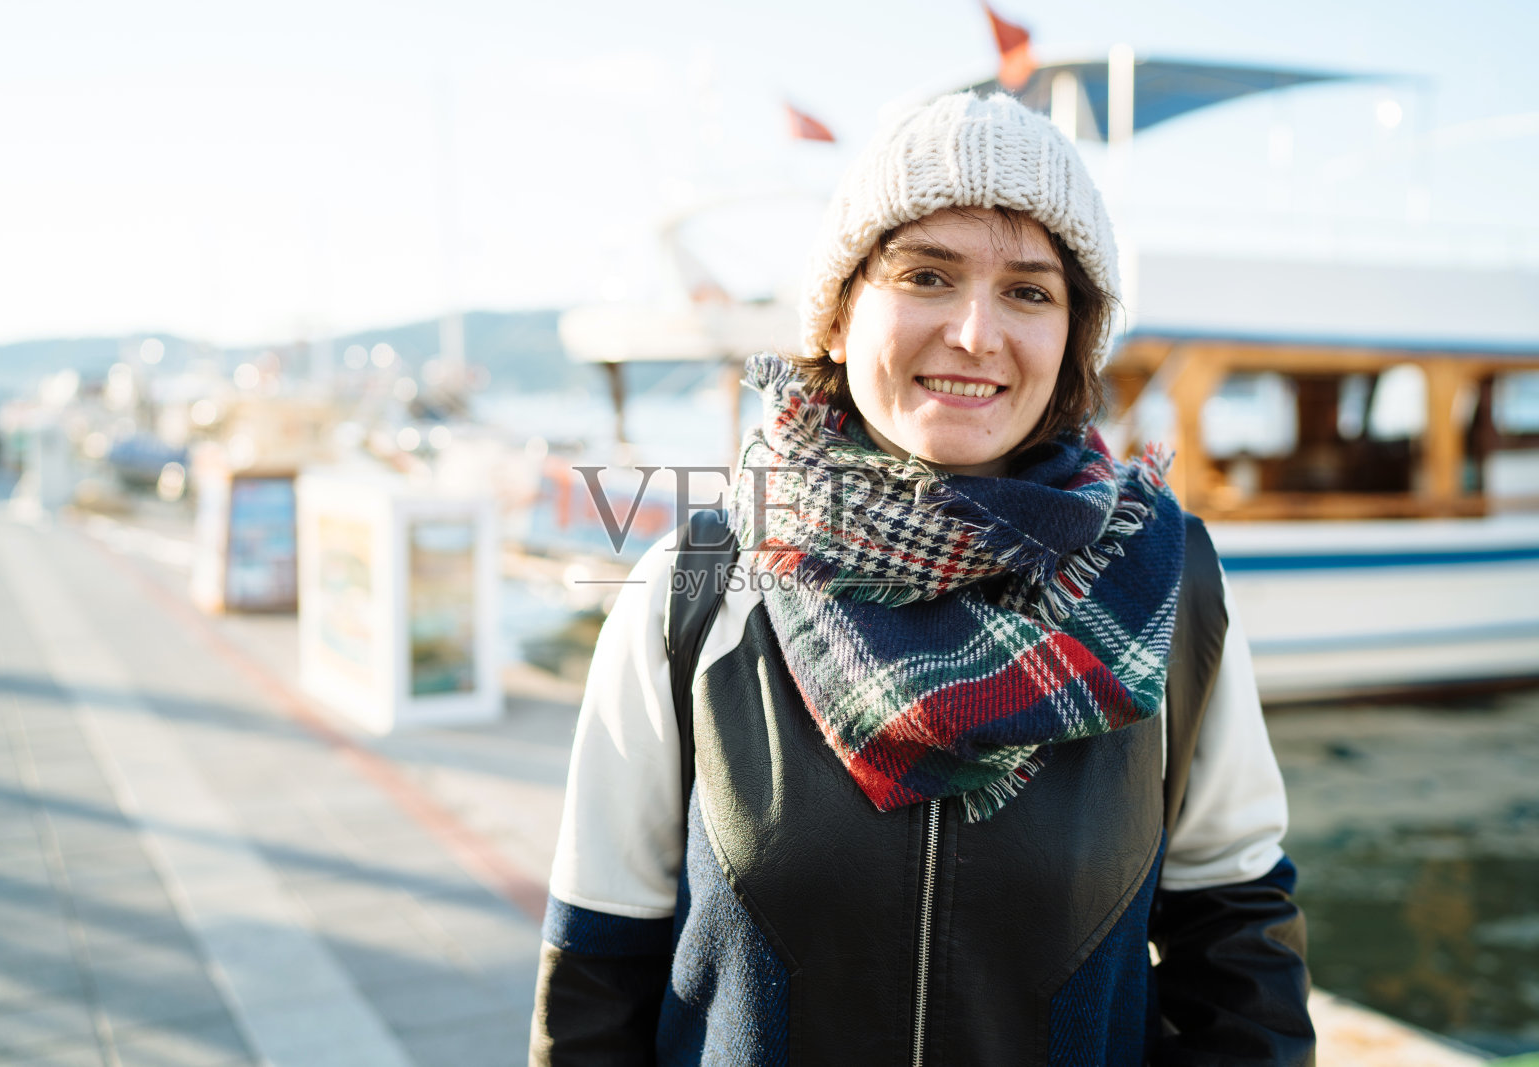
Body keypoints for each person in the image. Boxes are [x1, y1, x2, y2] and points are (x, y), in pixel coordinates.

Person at [531, 91, 1315, 1066]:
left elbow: (1239, 960)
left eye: (1029, 292)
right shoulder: (693, 590)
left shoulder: (1165, 585)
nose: (976, 333)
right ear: (837, 314)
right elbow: (596, 982)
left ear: (1073, 337)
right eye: (927, 276)